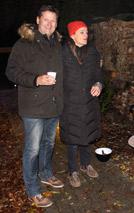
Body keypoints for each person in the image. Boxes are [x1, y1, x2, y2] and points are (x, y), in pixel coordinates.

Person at [6, 5, 64, 208]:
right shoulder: (24, 44)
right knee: (32, 150)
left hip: (54, 106)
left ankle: (47, 174)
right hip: (33, 107)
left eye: (53, 21)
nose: (50, 24)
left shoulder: (57, 45)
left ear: (57, 24)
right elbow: (11, 72)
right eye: (46, 19)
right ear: (37, 20)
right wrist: (35, 79)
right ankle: (33, 189)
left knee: (49, 144)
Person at [59, 21, 104, 188]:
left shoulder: (92, 51)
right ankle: (73, 171)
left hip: (88, 101)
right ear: (72, 35)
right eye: (82, 32)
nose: (86, 35)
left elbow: (98, 74)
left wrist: (98, 85)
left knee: (86, 135)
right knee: (72, 138)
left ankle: (86, 165)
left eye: (86, 32)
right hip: (70, 102)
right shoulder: (63, 52)